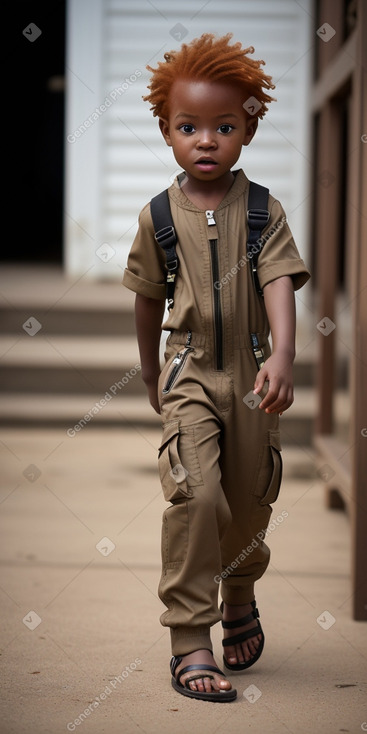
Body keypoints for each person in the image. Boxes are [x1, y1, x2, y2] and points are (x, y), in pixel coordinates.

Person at [122, 32, 310, 702]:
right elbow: (147, 300)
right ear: (167, 131)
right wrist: (150, 375)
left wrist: (283, 353)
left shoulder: (263, 213)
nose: (206, 140)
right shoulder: (156, 217)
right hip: (190, 370)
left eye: (223, 126)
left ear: (248, 128)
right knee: (195, 495)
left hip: (252, 374)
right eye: (189, 127)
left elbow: (279, 283)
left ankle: (238, 591)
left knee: (249, 501)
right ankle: (189, 636)